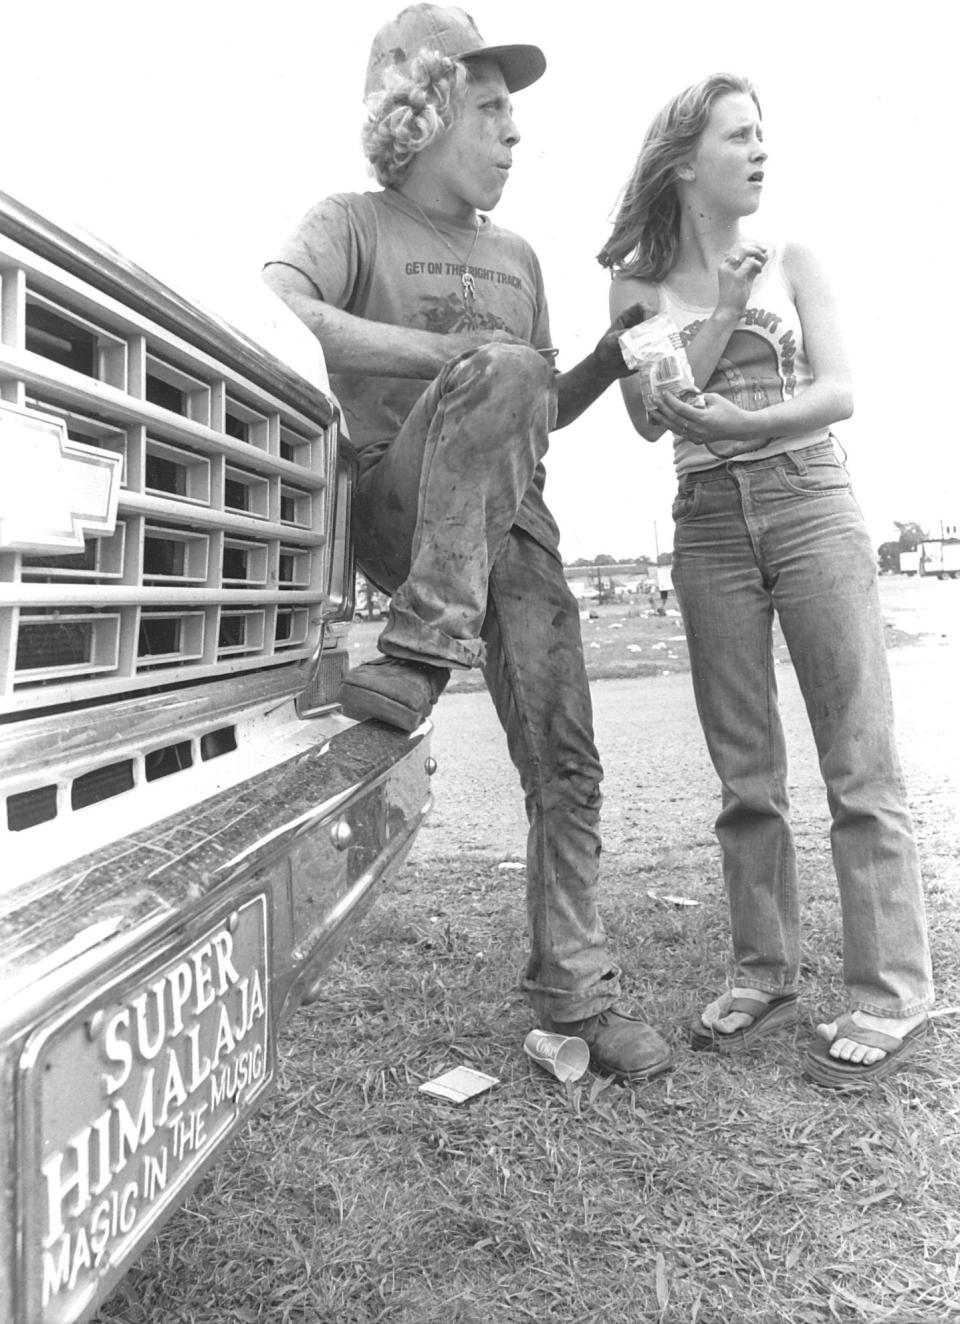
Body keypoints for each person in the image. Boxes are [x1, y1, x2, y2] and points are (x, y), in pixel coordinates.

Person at [262, 4, 671, 1082]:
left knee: (567, 758)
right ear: (424, 105)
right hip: (400, 500)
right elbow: (282, 307)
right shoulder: (350, 222)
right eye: (489, 107)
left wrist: (602, 361)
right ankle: (422, 646)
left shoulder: (524, 255)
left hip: (511, 518)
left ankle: (577, 999)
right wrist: (446, 353)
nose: (512, 131)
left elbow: (531, 404)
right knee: (495, 367)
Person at [598, 73, 934, 1086]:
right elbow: (653, 414)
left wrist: (751, 421)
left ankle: (889, 992)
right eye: (739, 135)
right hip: (705, 521)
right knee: (746, 772)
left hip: (807, 497)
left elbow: (838, 390)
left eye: (762, 135)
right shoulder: (638, 282)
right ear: (685, 159)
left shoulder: (796, 256)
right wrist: (728, 307)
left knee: (858, 758)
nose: (759, 151)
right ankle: (763, 970)